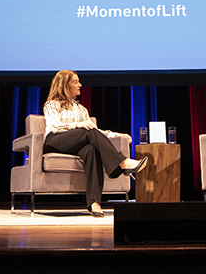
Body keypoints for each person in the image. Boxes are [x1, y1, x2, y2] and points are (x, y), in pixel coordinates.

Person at [43, 70, 146, 216]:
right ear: (65, 85)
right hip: (55, 141)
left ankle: (94, 202)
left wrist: (116, 135)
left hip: (75, 144)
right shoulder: (52, 105)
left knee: (91, 149)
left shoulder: (81, 109)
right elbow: (54, 126)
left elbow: (96, 132)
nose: (80, 85)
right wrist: (76, 125)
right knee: (88, 131)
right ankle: (122, 163)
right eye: (76, 82)